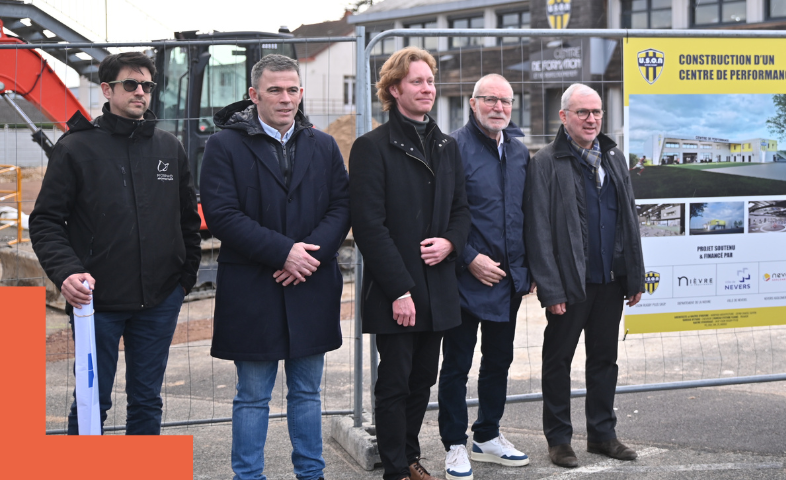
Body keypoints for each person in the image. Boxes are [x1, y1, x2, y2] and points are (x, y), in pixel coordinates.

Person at [30, 51, 201, 434]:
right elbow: (44, 221)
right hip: (96, 304)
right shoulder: (75, 149)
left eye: (147, 85)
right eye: (130, 84)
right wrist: (68, 272)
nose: (140, 92)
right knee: (93, 401)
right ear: (107, 90)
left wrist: (182, 281)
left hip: (159, 301)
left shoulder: (168, 148)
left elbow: (188, 220)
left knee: (146, 401)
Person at [199, 54, 351, 480]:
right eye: (275, 90)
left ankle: (311, 474)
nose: (286, 99)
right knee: (251, 394)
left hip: (310, 283)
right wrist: (283, 253)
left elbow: (342, 206)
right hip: (253, 287)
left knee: (307, 392)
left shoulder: (322, 145)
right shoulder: (224, 145)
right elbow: (222, 214)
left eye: (292, 90)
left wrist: (308, 257)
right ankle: (248, 476)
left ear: (301, 92)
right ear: (254, 95)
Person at [350, 47, 471, 480]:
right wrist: (399, 290)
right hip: (396, 289)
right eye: (417, 81)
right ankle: (396, 469)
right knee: (395, 384)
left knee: (422, 382)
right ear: (395, 88)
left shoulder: (445, 146)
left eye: (431, 81)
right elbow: (368, 226)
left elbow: (462, 210)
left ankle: (410, 455)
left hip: (437, 287)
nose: (427, 88)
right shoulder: (372, 147)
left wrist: (451, 243)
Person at [525, 83, 645, 468]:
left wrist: (634, 276)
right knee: (558, 361)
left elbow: (629, 219)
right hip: (569, 285)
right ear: (564, 117)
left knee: (604, 360)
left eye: (596, 112)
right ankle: (559, 439)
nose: (591, 119)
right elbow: (538, 230)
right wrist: (550, 287)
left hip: (610, 282)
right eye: (582, 112)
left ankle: (602, 435)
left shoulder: (613, 156)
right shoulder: (545, 162)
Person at [438, 74, 532, 480]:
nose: (498, 108)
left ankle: (488, 435)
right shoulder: (452, 149)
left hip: (508, 282)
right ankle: (455, 445)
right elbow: (440, 215)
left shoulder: (519, 152)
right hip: (464, 280)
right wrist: (469, 258)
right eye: (490, 100)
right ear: (472, 104)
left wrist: (526, 272)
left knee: (499, 361)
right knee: (457, 364)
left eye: (505, 101)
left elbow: (524, 217)